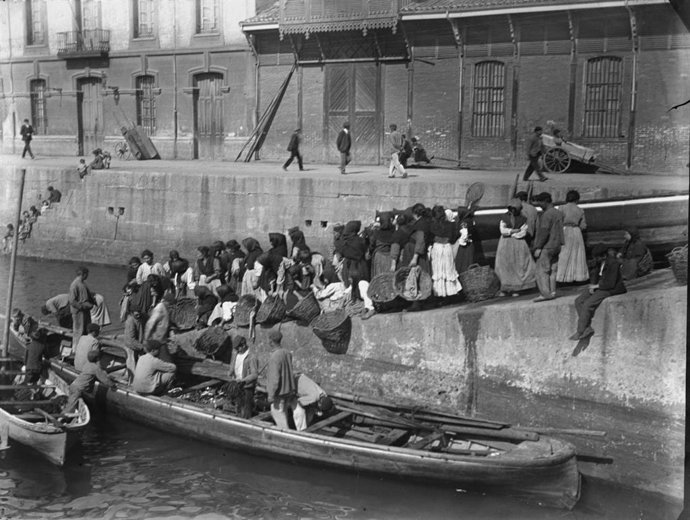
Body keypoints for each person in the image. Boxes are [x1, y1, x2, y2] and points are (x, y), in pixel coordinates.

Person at [570, 244, 626, 340]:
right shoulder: (599, 263)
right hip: (600, 286)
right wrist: (593, 285)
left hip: (611, 289)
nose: (596, 259)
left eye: (597, 257)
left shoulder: (613, 264)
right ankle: (587, 328)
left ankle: (580, 331)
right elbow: (595, 276)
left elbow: (610, 283)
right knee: (578, 301)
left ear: (604, 256)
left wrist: (597, 286)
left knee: (588, 304)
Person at [494, 199, 536, 296]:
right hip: (505, 244)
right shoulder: (504, 217)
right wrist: (513, 231)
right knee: (504, 265)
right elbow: (503, 230)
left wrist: (513, 234)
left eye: (515, 209)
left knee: (518, 265)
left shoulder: (523, 219)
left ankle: (517, 288)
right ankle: (505, 288)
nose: (513, 211)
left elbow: (523, 232)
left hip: (519, 244)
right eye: (511, 208)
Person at [532, 192, 564, 301]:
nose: (539, 205)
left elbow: (544, 232)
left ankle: (545, 294)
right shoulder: (559, 213)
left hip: (547, 246)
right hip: (557, 245)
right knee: (553, 270)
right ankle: (553, 292)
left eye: (540, 203)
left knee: (542, 270)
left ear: (545, 201)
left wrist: (538, 247)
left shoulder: (546, 215)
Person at [265, 330, 298, 429]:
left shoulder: (275, 357)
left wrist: (271, 395)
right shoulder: (287, 353)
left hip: (279, 393)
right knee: (283, 413)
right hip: (287, 390)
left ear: (271, 341)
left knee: (279, 416)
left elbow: (275, 379)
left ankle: (286, 437)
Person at [556, 190, 589, 283]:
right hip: (576, 231)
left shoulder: (561, 208)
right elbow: (583, 226)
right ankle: (577, 277)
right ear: (577, 199)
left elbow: (558, 221)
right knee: (577, 253)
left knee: (564, 253)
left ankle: (562, 277)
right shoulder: (580, 210)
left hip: (565, 230)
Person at [429, 205, 461, 298]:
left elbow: (429, 237)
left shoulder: (432, 225)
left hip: (437, 248)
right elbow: (454, 237)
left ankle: (439, 293)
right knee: (449, 269)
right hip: (447, 247)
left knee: (438, 269)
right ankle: (451, 293)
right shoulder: (451, 225)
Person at [228, 334, 259, 419]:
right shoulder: (236, 354)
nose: (237, 350)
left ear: (244, 345)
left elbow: (254, 374)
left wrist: (243, 380)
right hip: (238, 386)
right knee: (238, 409)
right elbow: (233, 366)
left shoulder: (251, 357)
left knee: (246, 411)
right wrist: (231, 372)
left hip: (247, 387)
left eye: (238, 348)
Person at [69, 266, 95, 348]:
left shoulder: (83, 284)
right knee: (78, 331)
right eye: (87, 274)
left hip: (85, 312)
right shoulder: (75, 284)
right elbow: (72, 301)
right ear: (83, 274)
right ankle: (76, 349)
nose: (88, 276)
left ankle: (84, 348)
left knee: (86, 330)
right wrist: (82, 307)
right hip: (79, 313)